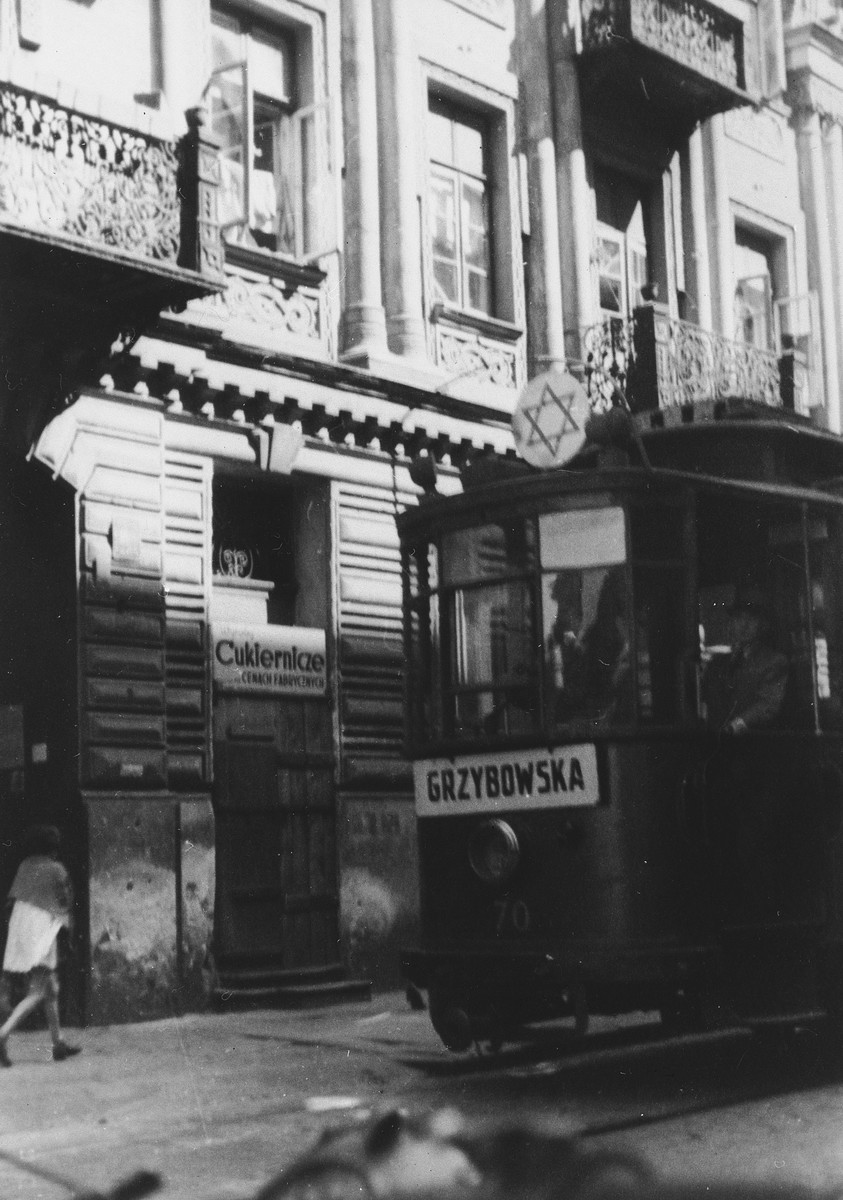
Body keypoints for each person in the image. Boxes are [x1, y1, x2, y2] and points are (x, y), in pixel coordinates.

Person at [0, 824, 80, 1066]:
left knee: (50, 987)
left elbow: (12, 901)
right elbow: (66, 902)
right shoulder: (57, 869)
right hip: (43, 926)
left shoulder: (25, 865)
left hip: (20, 925)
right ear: (53, 848)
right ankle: (1, 1036)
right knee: (37, 992)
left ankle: (58, 1045)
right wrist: (70, 932)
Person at [701, 586, 789, 735]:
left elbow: (768, 705)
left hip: (754, 744)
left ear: (763, 625)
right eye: (739, 618)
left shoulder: (774, 661)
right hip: (717, 744)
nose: (744, 624)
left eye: (751, 619)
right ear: (732, 622)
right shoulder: (718, 662)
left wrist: (735, 726)